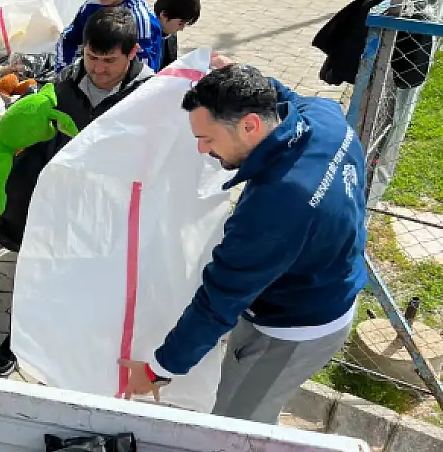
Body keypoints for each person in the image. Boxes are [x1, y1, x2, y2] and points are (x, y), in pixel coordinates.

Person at [120, 63, 368, 424]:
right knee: (257, 407)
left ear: (250, 125)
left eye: (208, 138)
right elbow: (284, 97)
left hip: (291, 328)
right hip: (329, 287)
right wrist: (237, 75)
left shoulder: (276, 206)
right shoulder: (325, 119)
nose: (203, 150)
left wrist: (159, 369)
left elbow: (218, 303)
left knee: (236, 428)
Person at [0, 7, 155, 376]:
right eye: (92, 57)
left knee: (90, 280)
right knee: (37, 268)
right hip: (56, 198)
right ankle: (18, 338)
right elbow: (35, 117)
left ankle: (78, 345)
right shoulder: (66, 79)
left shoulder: (149, 96)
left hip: (108, 208)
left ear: (132, 53)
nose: (98, 69)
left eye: (109, 61)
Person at [154, 0, 201, 69]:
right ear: (164, 14)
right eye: (180, 23)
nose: (182, 28)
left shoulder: (170, 36)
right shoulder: (144, 37)